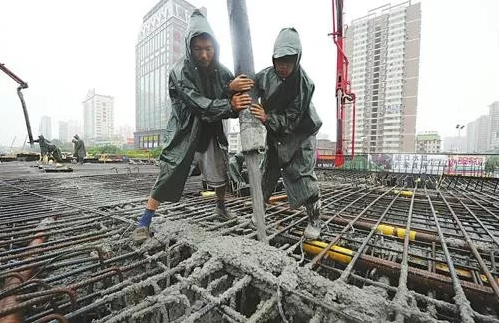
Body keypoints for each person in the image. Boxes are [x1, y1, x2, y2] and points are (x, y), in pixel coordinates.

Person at [132, 9, 254, 243]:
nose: (205, 54)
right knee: (168, 174)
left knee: (220, 173)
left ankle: (221, 207)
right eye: (198, 49)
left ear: (215, 47)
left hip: (211, 133)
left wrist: (241, 97)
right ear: (189, 47)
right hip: (185, 133)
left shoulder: (223, 71)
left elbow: (239, 95)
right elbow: (198, 103)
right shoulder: (180, 71)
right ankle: (144, 221)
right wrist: (230, 98)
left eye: (209, 48)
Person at [250, 27, 323, 240]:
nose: (283, 67)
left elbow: (293, 118)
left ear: (297, 59)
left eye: (288, 62)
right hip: (275, 132)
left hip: (300, 134)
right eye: (279, 61)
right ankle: (259, 211)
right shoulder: (265, 76)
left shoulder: (304, 84)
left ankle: (314, 220)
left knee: (303, 177)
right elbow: (250, 88)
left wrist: (266, 118)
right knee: (268, 173)